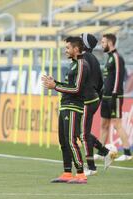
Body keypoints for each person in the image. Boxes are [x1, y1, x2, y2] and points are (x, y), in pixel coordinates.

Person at [42, 36, 88, 184]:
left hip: (74, 107)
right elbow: (70, 86)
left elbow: (76, 89)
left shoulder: (81, 64)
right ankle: (67, 172)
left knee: (70, 140)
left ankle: (81, 174)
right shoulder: (74, 64)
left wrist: (54, 87)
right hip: (65, 105)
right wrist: (55, 82)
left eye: (68, 48)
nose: (65, 50)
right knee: (63, 141)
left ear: (76, 49)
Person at [79, 33, 117, 176]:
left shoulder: (84, 58)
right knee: (81, 133)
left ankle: (91, 167)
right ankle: (105, 152)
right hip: (93, 98)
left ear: (84, 44)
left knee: (83, 133)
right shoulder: (92, 58)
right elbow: (100, 83)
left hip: (88, 99)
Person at [99, 33, 131, 161]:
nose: (102, 45)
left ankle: (127, 152)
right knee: (104, 124)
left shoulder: (117, 57)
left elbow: (118, 76)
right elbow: (108, 78)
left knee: (117, 124)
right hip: (106, 97)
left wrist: (114, 94)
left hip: (114, 96)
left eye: (103, 42)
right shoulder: (109, 58)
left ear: (110, 43)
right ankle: (101, 152)